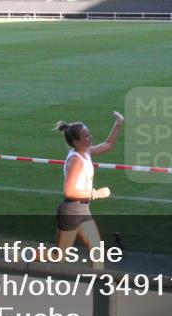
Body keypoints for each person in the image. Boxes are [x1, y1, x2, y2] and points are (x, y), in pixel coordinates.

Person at [51, 111, 124, 265]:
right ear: (76, 142)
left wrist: (118, 123)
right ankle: (24, 257)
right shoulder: (75, 160)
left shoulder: (86, 152)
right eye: (86, 136)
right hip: (72, 211)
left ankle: (100, 287)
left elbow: (107, 145)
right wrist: (96, 194)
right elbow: (69, 191)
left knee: (97, 252)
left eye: (89, 134)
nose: (90, 138)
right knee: (58, 256)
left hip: (82, 210)